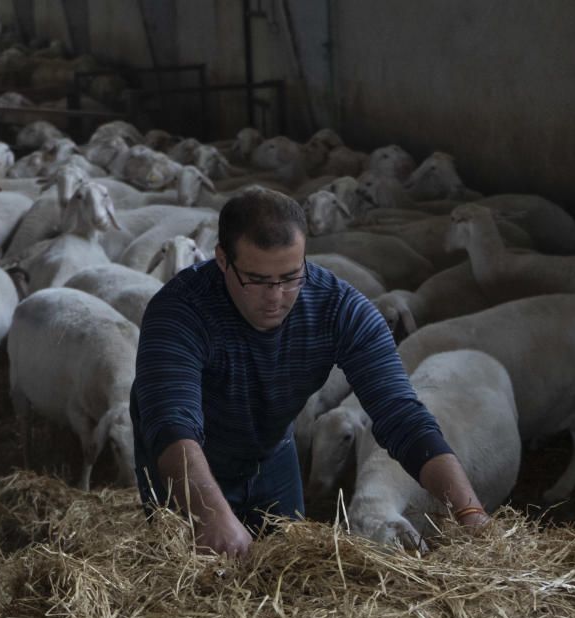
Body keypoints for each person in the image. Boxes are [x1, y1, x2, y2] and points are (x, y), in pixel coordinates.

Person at [130, 188, 489, 557]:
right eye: (257, 279)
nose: (276, 296)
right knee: (194, 575)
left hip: (270, 452)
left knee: (286, 564)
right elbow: (172, 421)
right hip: (187, 460)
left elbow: (400, 413)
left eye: (290, 277)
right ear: (222, 260)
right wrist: (210, 516)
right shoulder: (179, 311)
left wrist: (469, 512)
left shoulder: (339, 308)